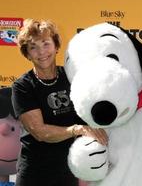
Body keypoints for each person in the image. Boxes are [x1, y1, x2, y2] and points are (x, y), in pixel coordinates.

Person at [11, 19, 108, 186]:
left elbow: (90, 113)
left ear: (56, 47)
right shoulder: (23, 86)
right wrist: (76, 129)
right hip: (34, 172)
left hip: (67, 170)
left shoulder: (73, 77)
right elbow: (39, 132)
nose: (41, 52)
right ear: (27, 54)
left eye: (46, 44)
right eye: (33, 47)